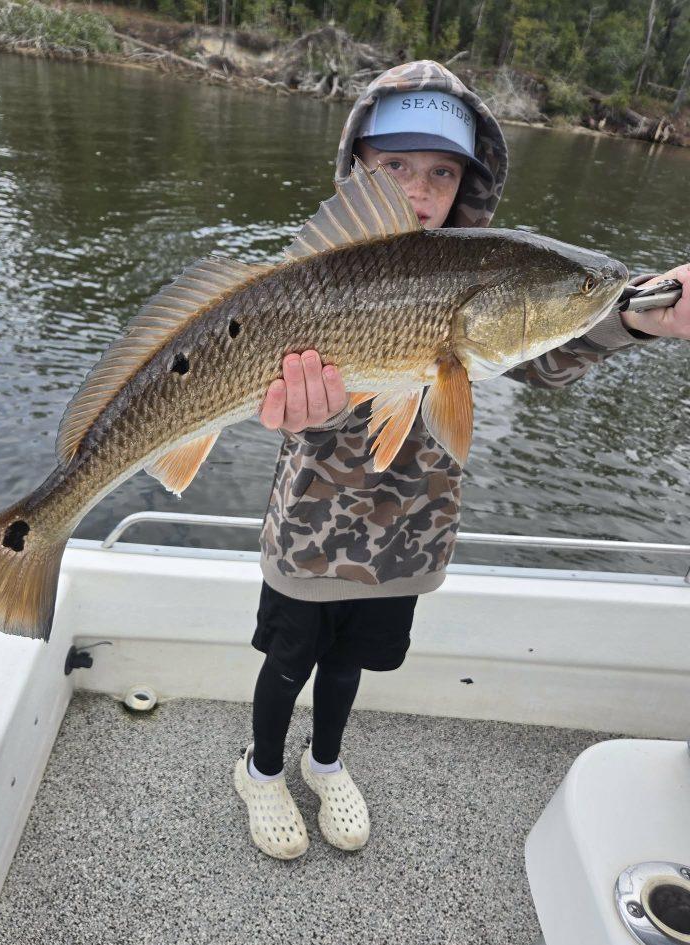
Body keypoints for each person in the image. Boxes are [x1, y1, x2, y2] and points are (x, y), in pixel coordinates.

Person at [233, 59, 690, 861]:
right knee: (289, 657)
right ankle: (262, 768)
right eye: (395, 166)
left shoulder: (482, 275)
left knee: (351, 666)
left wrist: (642, 314)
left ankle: (325, 759)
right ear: (357, 170)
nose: (418, 187)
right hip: (309, 533)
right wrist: (298, 404)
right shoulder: (305, 279)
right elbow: (274, 384)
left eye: (441, 171)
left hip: (405, 540)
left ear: (466, 184)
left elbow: (545, 355)